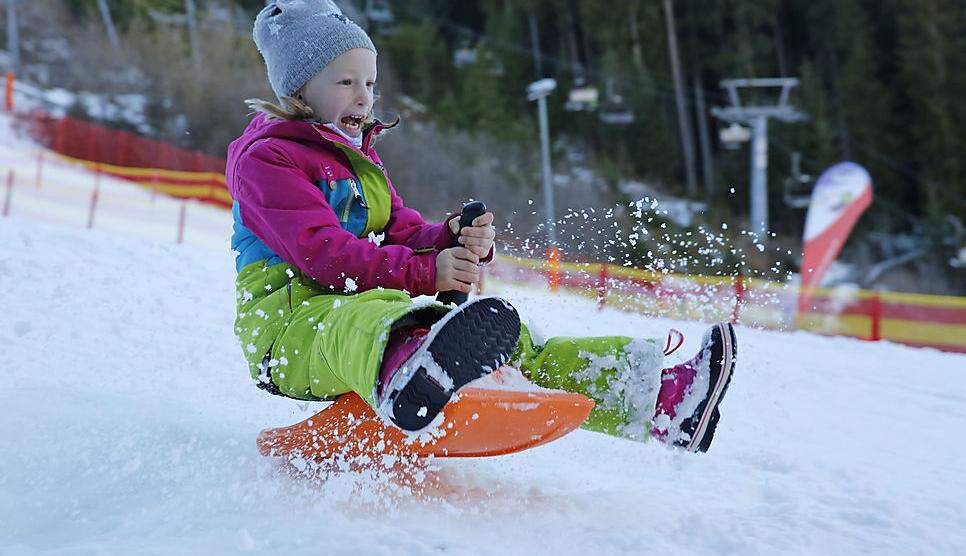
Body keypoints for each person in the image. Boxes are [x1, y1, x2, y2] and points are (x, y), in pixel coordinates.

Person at [228, 0, 736, 452]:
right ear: (300, 88)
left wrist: (449, 238)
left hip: (363, 310)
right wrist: (429, 275)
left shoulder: (357, 159)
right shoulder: (268, 162)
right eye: (345, 83)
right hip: (290, 332)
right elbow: (326, 256)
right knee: (371, 316)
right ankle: (415, 371)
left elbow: (401, 231)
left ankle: (666, 400)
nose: (364, 98)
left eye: (370, 83)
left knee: (510, 341)